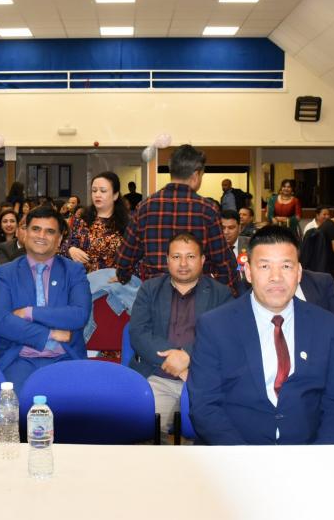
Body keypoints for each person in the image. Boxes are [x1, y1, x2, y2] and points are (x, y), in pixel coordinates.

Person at [187, 225, 334, 445]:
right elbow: (205, 406)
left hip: (307, 451)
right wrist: (243, 458)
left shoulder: (327, 327)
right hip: (235, 451)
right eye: (265, 266)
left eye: (286, 266)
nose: (276, 277)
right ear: (248, 272)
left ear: (299, 272)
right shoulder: (215, 326)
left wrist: (317, 458)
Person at [128, 234, 232, 435]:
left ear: (202, 260)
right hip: (158, 376)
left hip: (203, 379)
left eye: (190, 257)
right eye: (176, 257)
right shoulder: (150, 289)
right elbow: (138, 333)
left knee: (213, 433)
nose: (183, 263)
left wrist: (188, 356)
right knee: (146, 434)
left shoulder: (221, 294)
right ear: (167, 260)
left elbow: (226, 337)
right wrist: (175, 360)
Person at [0, 206, 90, 392]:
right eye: (36, 229)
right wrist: (49, 334)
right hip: (18, 358)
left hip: (65, 358)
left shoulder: (74, 271)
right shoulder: (6, 273)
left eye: (50, 231)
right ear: (25, 233)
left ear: (59, 239)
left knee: (72, 406)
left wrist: (29, 312)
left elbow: (79, 315)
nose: (41, 236)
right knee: (17, 406)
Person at [116, 145, 241, 294]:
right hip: (197, 294)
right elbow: (223, 262)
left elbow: (125, 259)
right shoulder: (207, 209)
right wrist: (230, 292)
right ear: (196, 175)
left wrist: (123, 276)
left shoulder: (145, 207)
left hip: (156, 293)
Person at [61, 172, 129, 272]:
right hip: (83, 278)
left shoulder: (127, 224)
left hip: (114, 279)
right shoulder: (81, 219)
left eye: (103, 191)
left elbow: (135, 258)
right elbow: (63, 245)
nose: (97, 195)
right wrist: (70, 250)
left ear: (115, 195)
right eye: (94, 191)